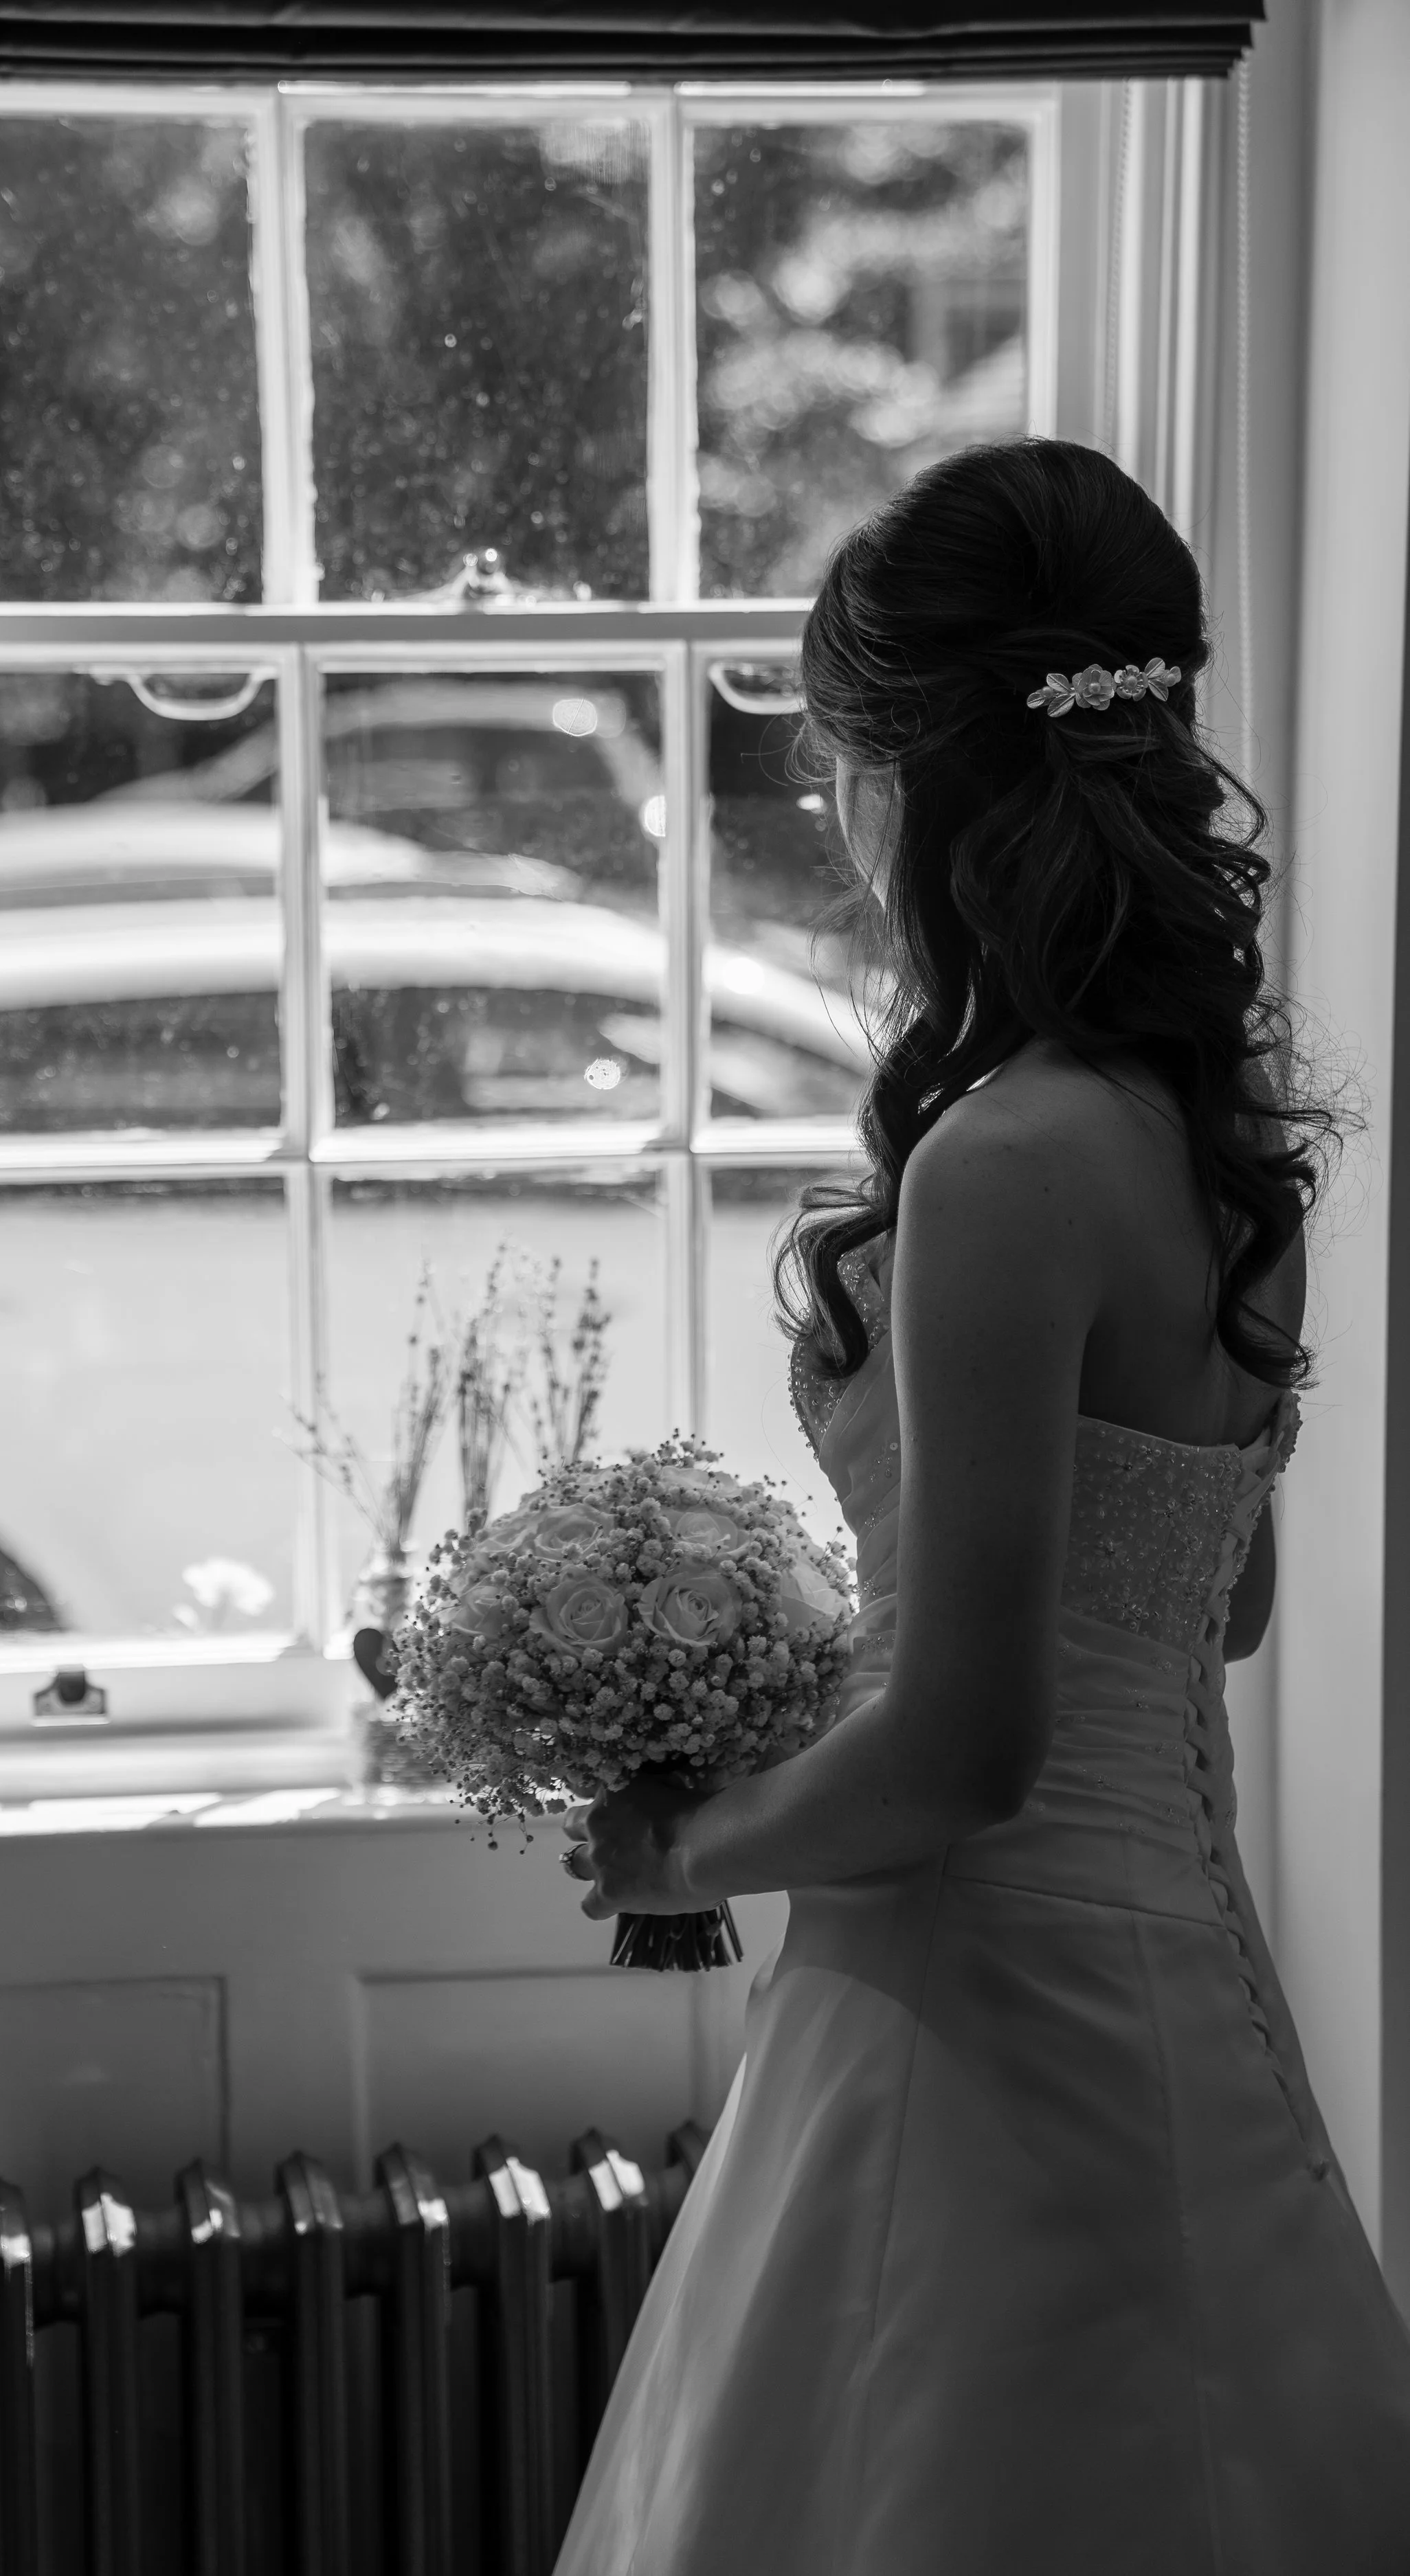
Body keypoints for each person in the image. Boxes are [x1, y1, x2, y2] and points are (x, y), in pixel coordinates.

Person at [554, 438, 1410, 2574]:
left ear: (903, 774)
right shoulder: (1217, 1137)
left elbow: (965, 1749)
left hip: (975, 2020)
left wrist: (682, 1841)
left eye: (833, 753)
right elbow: (1212, 1604)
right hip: (1182, 1981)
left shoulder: (999, 1163)